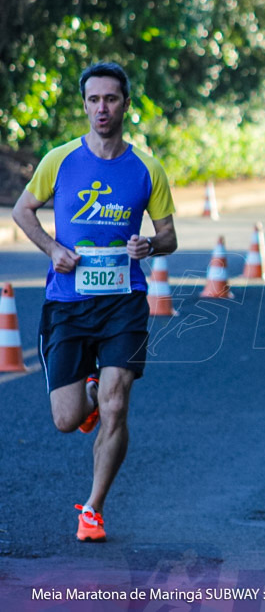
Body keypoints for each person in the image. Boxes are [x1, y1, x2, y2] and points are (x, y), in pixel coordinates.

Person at [12, 61, 177, 542]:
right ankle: (86, 394)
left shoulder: (147, 168)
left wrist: (149, 245)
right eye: (93, 100)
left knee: (116, 403)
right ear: (84, 105)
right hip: (67, 302)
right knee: (67, 420)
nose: (101, 108)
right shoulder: (60, 160)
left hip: (124, 303)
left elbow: (167, 236)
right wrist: (51, 248)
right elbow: (23, 210)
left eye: (110, 99)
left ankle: (93, 508)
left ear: (126, 103)